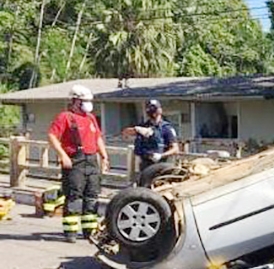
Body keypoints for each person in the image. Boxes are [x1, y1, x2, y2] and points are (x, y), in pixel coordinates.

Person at [46, 85, 110, 243]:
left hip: (91, 160)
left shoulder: (91, 118)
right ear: (75, 101)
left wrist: (104, 156)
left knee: (92, 196)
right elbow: (52, 136)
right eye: (85, 101)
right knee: (74, 196)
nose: (88, 104)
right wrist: (63, 155)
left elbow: (98, 138)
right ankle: (71, 232)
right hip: (75, 160)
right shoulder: (65, 117)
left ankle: (89, 231)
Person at [122, 99, 179, 175]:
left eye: (154, 109)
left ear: (160, 110)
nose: (153, 112)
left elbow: (175, 149)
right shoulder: (144, 126)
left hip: (161, 165)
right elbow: (125, 133)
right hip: (145, 164)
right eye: (150, 109)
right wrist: (137, 129)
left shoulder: (166, 128)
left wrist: (161, 155)